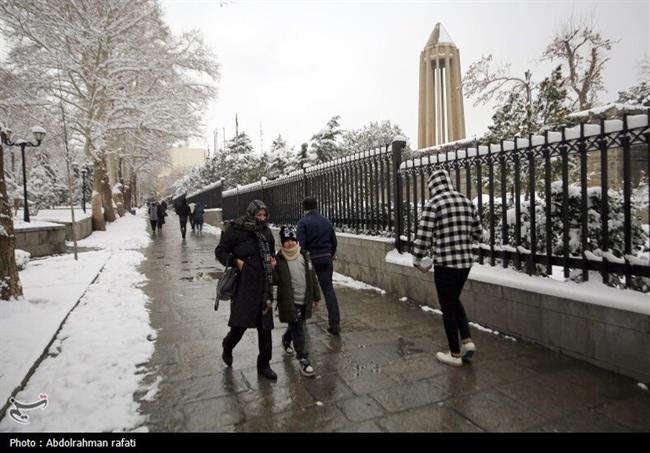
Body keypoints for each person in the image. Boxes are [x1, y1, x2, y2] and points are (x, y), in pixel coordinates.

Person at [412, 169, 483, 367]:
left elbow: (423, 236)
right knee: (454, 299)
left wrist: (417, 259)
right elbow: (478, 234)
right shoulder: (467, 202)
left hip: (445, 264)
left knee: (447, 305)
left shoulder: (434, 204)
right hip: (465, 263)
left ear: (432, 186)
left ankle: (454, 353)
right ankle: (467, 342)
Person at [215, 200, 278, 380]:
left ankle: (264, 365)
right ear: (251, 213)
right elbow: (220, 251)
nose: (262, 218)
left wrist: (272, 261)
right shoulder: (236, 229)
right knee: (240, 324)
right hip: (244, 284)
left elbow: (271, 251)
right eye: (259, 215)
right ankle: (228, 345)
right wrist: (236, 261)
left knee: (265, 326)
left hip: (264, 284)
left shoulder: (265, 231)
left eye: (264, 215)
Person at [274, 226, 320, 377]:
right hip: (289, 301)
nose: (290, 243)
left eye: (292, 240)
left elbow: (312, 277)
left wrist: (316, 296)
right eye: (286, 241)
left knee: (297, 325)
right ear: (282, 242)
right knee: (299, 329)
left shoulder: (304, 256)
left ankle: (286, 339)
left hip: (303, 299)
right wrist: (272, 268)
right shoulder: (279, 259)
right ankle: (303, 358)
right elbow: (275, 280)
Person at [297, 197, 341, 335]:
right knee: (329, 291)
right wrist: (331, 254)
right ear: (316, 206)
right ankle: (335, 324)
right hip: (326, 259)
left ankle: (302, 321)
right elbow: (334, 241)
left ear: (304, 208)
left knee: (306, 290)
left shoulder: (303, 222)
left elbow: (301, 245)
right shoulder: (326, 221)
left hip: (311, 260)